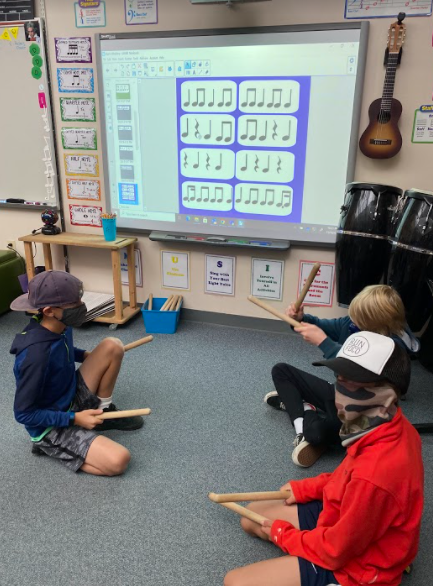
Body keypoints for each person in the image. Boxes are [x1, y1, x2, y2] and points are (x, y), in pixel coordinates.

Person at [225, 332, 424, 586]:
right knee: (251, 516)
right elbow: (347, 477)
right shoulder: (388, 422)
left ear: (386, 395)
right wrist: (306, 488)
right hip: (348, 514)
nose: (339, 394)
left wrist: (282, 535)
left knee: (235, 582)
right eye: (339, 380)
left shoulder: (374, 474)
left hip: (360, 566)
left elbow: (335, 551)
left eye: (353, 385)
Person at [264, 285, 419, 467]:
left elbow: (356, 367)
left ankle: (304, 409)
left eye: (358, 319)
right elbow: (322, 326)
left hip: (361, 412)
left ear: (375, 324)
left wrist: (324, 342)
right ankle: (304, 413)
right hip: (339, 393)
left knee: (316, 433)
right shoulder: (352, 324)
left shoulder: (393, 348)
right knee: (281, 370)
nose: (352, 321)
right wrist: (300, 319)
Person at [10, 270, 144, 476]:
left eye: (80, 299)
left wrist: (86, 355)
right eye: (74, 304)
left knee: (112, 346)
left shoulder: (61, 324)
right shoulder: (35, 356)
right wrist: (74, 419)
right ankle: (48, 447)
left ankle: (103, 411)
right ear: (48, 310)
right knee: (119, 461)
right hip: (51, 425)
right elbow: (24, 414)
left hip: (68, 396)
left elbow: (62, 349)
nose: (81, 306)